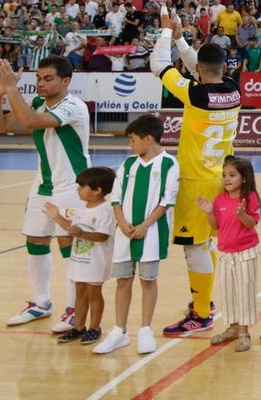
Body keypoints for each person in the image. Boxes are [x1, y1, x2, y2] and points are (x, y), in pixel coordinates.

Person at [151, 8, 242, 336]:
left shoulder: (196, 95)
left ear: (200, 70)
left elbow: (158, 66)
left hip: (196, 180)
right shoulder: (233, 90)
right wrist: (179, 38)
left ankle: (201, 313)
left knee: (194, 246)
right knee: (206, 243)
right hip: (223, 178)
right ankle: (205, 301)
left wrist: (165, 34)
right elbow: (200, 69)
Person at [0, 56, 90, 333]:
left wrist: (11, 88)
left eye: (48, 79)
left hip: (73, 186)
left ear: (66, 81)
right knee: (36, 240)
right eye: (38, 79)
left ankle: (73, 308)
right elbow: (0, 127)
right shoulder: (35, 102)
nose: (41, 84)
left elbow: (30, 121)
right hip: (42, 185)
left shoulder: (73, 106)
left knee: (68, 245)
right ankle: (41, 302)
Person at [94, 115, 180, 356]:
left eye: (133, 140)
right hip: (125, 233)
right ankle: (119, 331)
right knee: (123, 281)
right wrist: (121, 223)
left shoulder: (168, 164)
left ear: (148, 139)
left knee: (147, 280)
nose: (130, 145)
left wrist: (144, 225)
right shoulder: (128, 164)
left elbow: (167, 200)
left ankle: (145, 330)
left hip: (151, 233)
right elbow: (117, 195)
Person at [43, 166, 117, 345]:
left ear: (97, 190)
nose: (77, 190)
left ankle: (94, 328)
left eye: (81, 186)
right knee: (80, 292)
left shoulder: (106, 210)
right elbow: (73, 228)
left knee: (93, 293)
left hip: (95, 261)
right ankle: (78, 327)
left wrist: (82, 234)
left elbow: (102, 236)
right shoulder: (81, 208)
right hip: (80, 260)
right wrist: (56, 217)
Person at [197, 157, 261, 352]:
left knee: (245, 292)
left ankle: (244, 332)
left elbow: (252, 223)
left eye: (232, 175)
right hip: (225, 252)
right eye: (224, 175)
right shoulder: (219, 200)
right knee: (228, 292)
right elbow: (215, 225)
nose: (227, 179)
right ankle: (232, 328)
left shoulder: (250, 198)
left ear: (244, 178)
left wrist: (242, 214)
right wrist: (209, 212)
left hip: (246, 253)